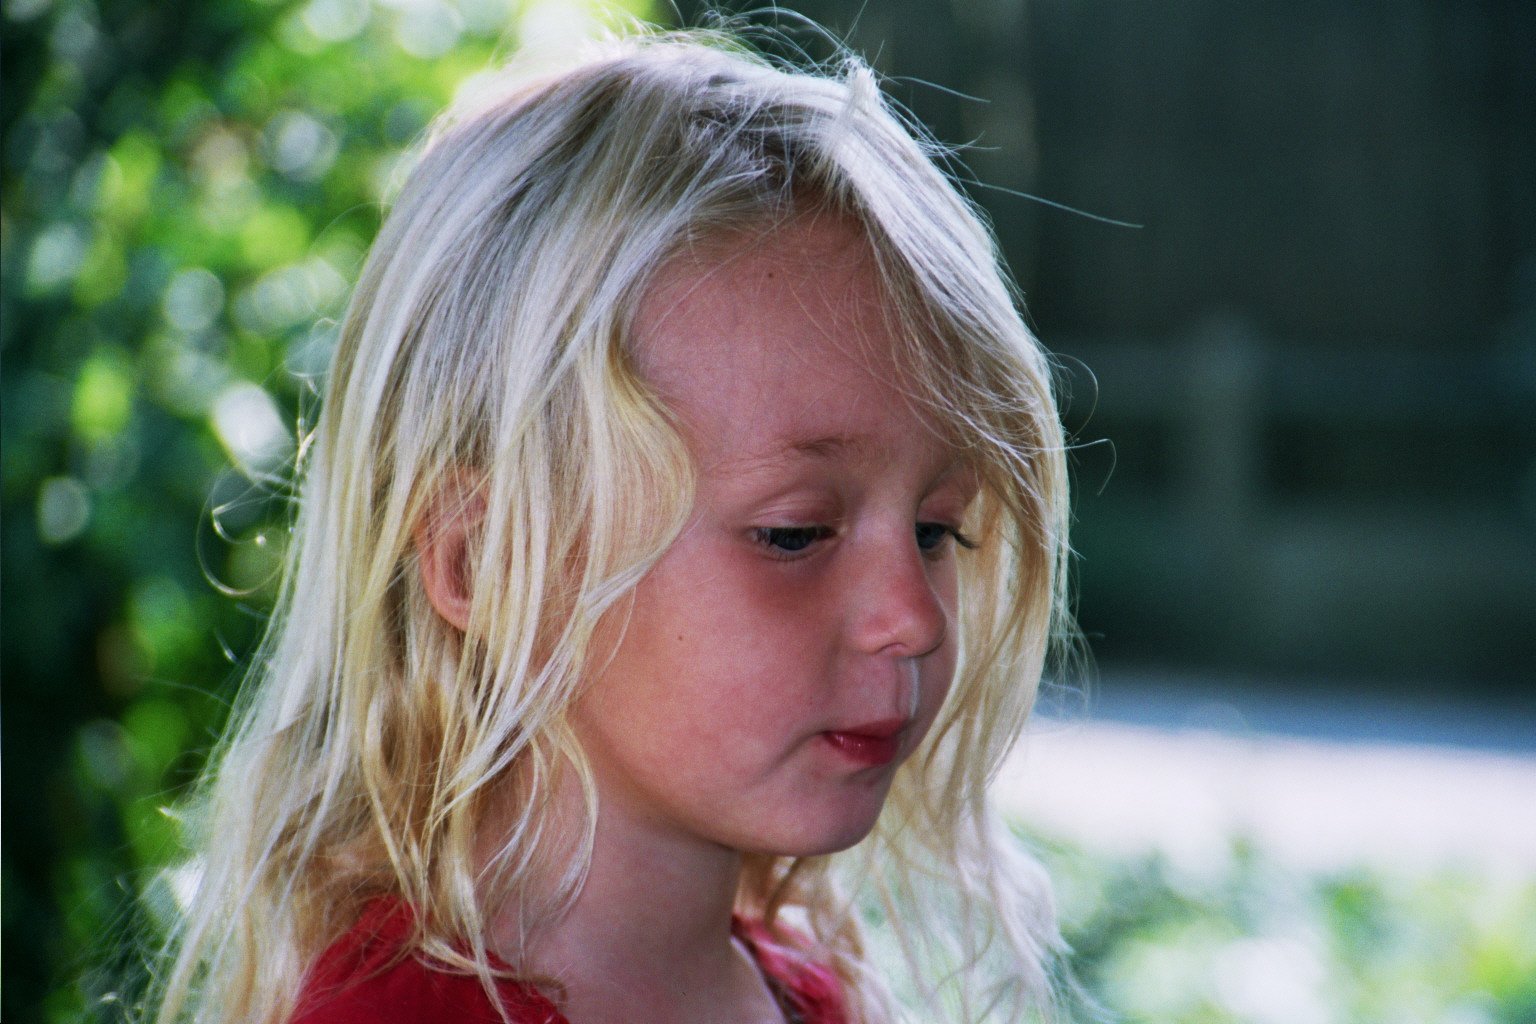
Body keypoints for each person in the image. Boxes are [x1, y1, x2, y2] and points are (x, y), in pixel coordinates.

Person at [148, 26, 1075, 1024]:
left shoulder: (809, 994)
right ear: (489, 559)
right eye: (796, 533)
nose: (914, 616)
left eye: (939, 530)